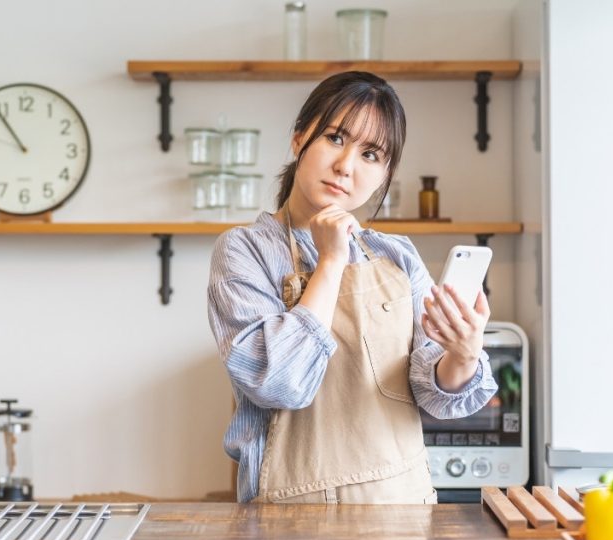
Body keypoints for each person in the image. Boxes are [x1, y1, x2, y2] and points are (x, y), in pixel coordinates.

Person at [207, 71, 498, 505]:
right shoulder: (243, 251)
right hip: (288, 522)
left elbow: (432, 393)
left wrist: (463, 353)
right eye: (335, 138)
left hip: (400, 512)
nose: (346, 166)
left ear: (385, 175)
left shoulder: (396, 256)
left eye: (371, 154)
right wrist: (330, 260)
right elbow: (278, 383)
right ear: (299, 138)